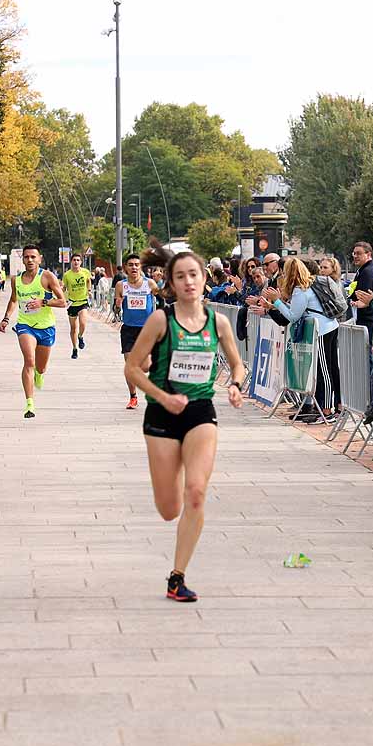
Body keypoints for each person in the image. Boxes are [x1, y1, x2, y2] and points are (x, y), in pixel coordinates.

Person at [123, 251, 247, 603]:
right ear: (171, 283)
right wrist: (162, 396)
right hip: (162, 415)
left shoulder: (218, 323)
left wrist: (236, 386)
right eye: (181, 276)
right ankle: (172, 477)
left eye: (194, 274)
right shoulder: (161, 321)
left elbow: (238, 366)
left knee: (196, 492)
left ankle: (177, 577)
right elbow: (132, 368)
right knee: (169, 509)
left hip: (199, 412)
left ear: (204, 278)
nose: (189, 282)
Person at [261, 257, 342, 424]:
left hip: (321, 331)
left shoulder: (300, 289)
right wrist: (275, 306)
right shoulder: (310, 284)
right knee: (332, 368)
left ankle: (326, 411)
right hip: (330, 326)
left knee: (324, 371)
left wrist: (276, 300)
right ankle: (336, 406)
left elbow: (293, 315)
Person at [0, 244, 67, 418]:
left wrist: (43, 302)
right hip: (25, 325)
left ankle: (39, 373)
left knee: (40, 367)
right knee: (29, 361)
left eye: (33, 257)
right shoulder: (16, 279)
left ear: (39, 259)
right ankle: (30, 404)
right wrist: (6, 318)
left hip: (46, 327)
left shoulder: (47, 277)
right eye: (26, 257)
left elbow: (63, 302)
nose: (29, 260)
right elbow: (14, 300)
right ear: (23, 259)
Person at [115, 252, 159, 409]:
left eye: (136, 265)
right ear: (126, 268)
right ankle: (133, 397)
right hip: (128, 330)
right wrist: (117, 305)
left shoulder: (150, 284)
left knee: (145, 367)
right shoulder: (121, 285)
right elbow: (116, 308)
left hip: (146, 330)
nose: (134, 267)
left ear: (141, 267)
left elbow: (162, 297)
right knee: (130, 366)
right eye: (131, 265)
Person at [61, 254, 92, 358]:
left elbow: (88, 281)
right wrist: (62, 295)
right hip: (72, 303)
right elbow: (64, 287)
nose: (76, 262)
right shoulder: (67, 275)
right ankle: (74, 349)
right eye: (74, 260)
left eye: (78, 260)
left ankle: (80, 336)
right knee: (73, 328)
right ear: (71, 261)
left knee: (83, 323)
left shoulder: (85, 272)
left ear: (81, 262)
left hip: (83, 301)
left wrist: (89, 290)